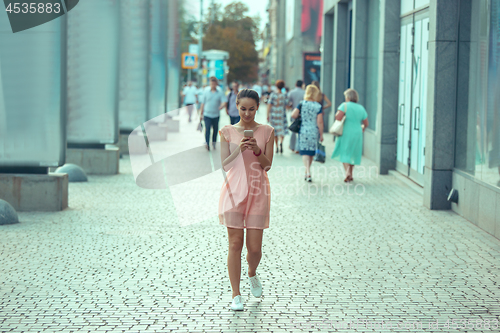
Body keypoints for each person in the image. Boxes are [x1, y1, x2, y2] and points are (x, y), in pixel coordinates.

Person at [218, 89, 275, 311]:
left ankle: (252, 273)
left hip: (258, 191)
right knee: (235, 244)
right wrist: (239, 149)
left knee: (254, 249)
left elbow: (267, 164)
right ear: (236, 106)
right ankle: (236, 294)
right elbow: (225, 165)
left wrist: (257, 150)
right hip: (233, 192)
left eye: (252, 109)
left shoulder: (268, 131)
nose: (247, 113)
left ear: (258, 107)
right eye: (243, 108)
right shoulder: (227, 132)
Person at [331, 88, 369, 182]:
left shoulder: (344, 106)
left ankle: (347, 173)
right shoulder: (361, 108)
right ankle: (351, 174)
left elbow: (338, 118)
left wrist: (338, 114)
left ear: (347, 97)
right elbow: (366, 123)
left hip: (346, 132)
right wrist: (363, 127)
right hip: (357, 132)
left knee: (345, 152)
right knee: (353, 153)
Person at [291, 85, 324, 182]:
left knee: (304, 151)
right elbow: (320, 122)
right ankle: (308, 170)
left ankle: (307, 171)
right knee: (311, 152)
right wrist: (321, 134)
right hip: (314, 131)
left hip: (303, 130)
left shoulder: (302, 104)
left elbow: (293, 114)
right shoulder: (318, 106)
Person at [199, 77, 226, 151]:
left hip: (216, 115)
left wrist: (222, 106)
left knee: (215, 129)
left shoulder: (220, 91)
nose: (212, 85)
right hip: (207, 114)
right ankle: (207, 143)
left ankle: (214, 143)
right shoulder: (206, 91)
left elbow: (224, 101)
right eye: (211, 83)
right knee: (207, 129)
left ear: (216, 84)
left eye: (214, 84)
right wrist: (201, 114)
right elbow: (203, 103)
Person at [267, 80, 289, 154]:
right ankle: (281, 142)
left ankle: (276, 146)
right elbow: (287, 105)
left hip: (274, 115)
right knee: (282, 130)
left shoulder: (273, 94)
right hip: (282, 115)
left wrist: (267, 115)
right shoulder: (285, 95)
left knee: (275, 131)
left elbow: (269, 105)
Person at [288, 80, 305, 153]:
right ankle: (298, 148)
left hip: (294, 113)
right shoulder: (304, 92)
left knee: (293, 130)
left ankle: (292, 146)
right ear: (302, 85)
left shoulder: (291, 92)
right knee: (300, 131)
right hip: (302, 114)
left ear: (295, 84)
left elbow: (288, 102)